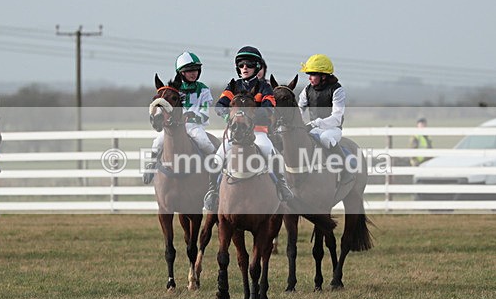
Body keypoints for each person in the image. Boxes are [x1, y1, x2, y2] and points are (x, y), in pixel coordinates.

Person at [203, 46, 293, 211]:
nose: (245, 68)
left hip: (257, 131)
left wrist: (248, 118)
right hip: (234, 132)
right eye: (241, 64)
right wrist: (228, 117)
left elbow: (269, 109)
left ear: (257, 67)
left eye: (249, 64)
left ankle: (281, 185)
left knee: (269, 151)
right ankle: (213, 190)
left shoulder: (264, 87)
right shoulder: (233, 85)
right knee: (218, 156)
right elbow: (219, 106)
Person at [143, 51, 216, 184]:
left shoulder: (203, 90)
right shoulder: (173, 90)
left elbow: (204, 113)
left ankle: (214, 171)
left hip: (194, 126)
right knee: (157, 142)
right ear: (181, 73)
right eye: (189, 71)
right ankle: (151, 166)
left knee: (204, 142)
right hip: (175, 126)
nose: (193, 73)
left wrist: (192, 115)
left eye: (195, 70)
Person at [298, 53, 354, 186]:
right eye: (309, 75)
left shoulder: (337, 90)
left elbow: (337, 117)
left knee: (325, 139)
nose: (310, 78)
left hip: (332, 129)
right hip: (315, 129)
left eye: (313, 75)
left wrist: (315, 123)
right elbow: (299, 108)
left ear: (323, 76)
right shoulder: (307, 90)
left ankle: (346, 170)